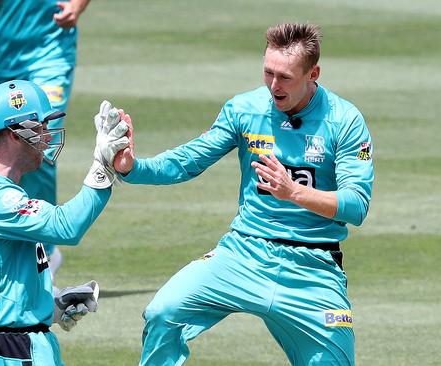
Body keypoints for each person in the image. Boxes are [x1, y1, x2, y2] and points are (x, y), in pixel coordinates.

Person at [114, 23, 374, 365]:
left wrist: (294, 192)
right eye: (268, 73)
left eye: (285, 77)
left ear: (314, 74)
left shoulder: (345, 121)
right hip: (244, 254)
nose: (273, 86)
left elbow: (356, 206)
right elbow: (188, 160)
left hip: (312, 271)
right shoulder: (245, 109)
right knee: (164, 312)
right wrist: (133, 168)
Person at [0, 80, 129, 365]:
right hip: (15, 349)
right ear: (15, 134)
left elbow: (4, 281)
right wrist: (102, 168)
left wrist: (52, 305)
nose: (47, 137)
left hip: (18, 344)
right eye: (40, 128)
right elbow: (66, 227)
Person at [0, 0, 93, 277]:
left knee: (40, 138)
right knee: (11, 144)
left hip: (51, 48)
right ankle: (21, 241)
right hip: (3, 55)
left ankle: (46, 252)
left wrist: (78, 4)